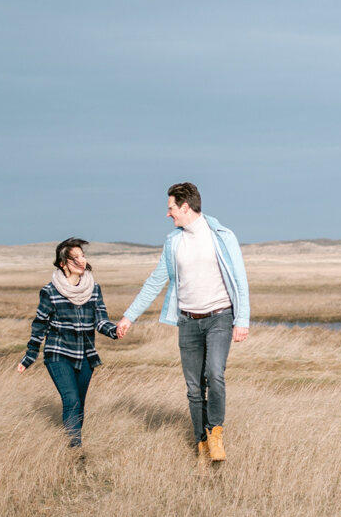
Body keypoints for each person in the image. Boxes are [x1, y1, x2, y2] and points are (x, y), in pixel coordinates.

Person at [116, 182, 249, 463]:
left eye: (171, 208)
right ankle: (201, 442)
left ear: (185, 207)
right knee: (193, 388)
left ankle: (215, 433)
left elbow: (239, 279)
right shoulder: (173, 242)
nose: (168, 214)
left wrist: (242, 320)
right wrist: (130, 316)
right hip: (188, 322)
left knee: (215, 374)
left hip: (220, 318)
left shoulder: (222, 236)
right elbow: (155, 281)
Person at [16, 237, 119, 449]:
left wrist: (114, 331)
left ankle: (73, 444)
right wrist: (29, 356)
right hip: (58, 354)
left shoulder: (94, 288)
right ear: (63, 264)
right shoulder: (50, 291)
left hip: (86, 355)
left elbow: (100, 320)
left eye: (82, 256)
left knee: (79, 403)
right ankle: (75, 448)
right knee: (71, 399)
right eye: (75, 258)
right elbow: (40, 325)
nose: (81, 261)